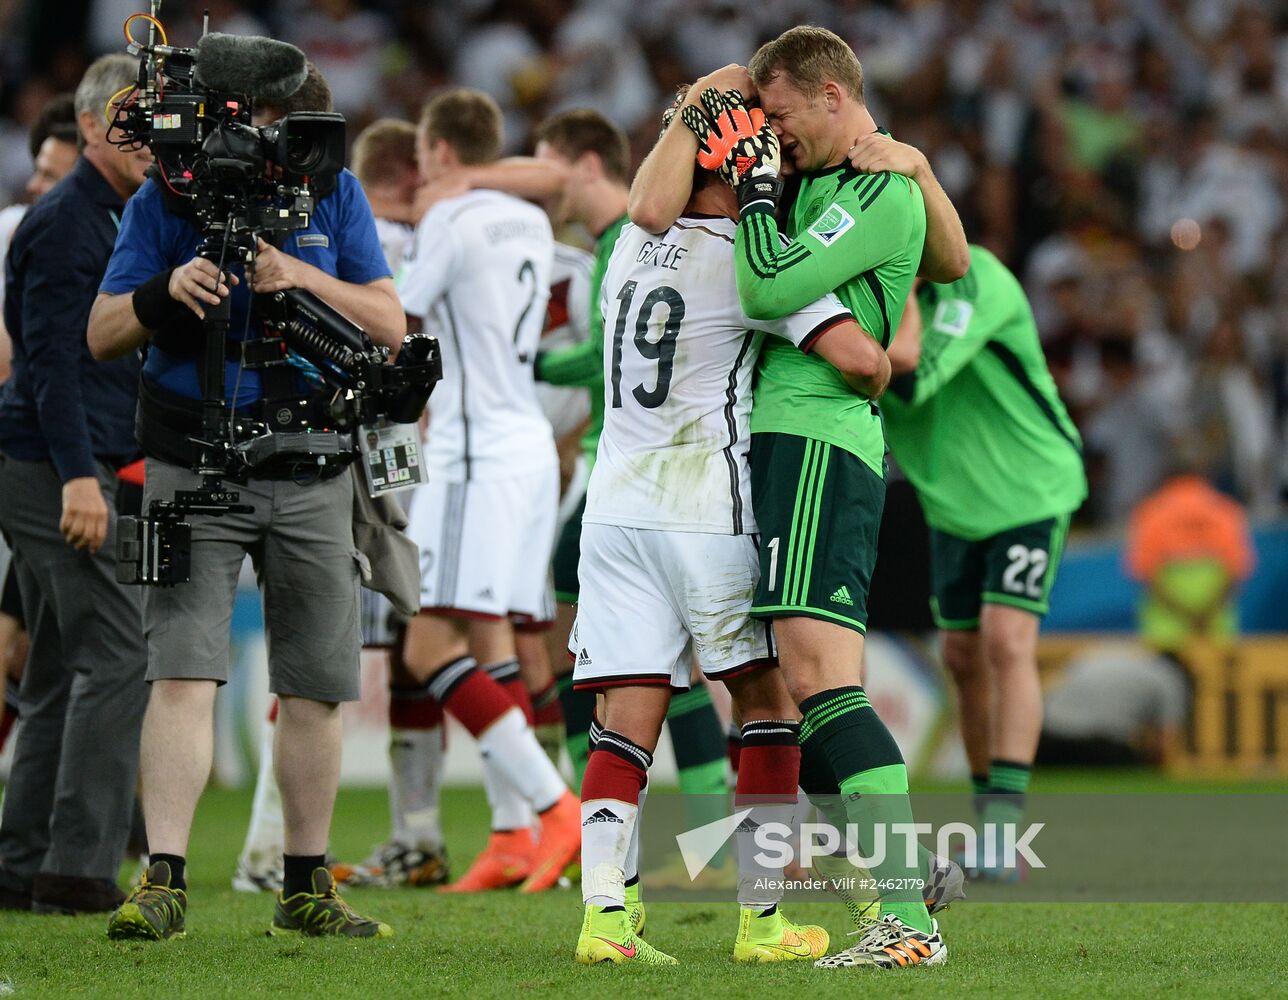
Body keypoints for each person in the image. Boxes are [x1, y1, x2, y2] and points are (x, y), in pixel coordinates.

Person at [638, 28, 970, 968]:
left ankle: (904, 915)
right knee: (785, 683)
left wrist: (752, 199)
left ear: (831, 95)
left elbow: (764, 282)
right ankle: (893, 883)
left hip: (821, 442)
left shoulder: (872, 186)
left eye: (780, 116)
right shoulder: (836, 176)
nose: (772, 139)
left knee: (822, 675)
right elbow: (946, 260)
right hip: (778, 445)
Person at [571, 91, 892, 967]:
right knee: (767, 704)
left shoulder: (633, 246)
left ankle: (604, 924)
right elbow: (865, 361)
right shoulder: (754, 271)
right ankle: (763, 923)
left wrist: (694, 116)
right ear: (740, 170)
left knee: (623, 718)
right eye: (771, 164)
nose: (782, 175)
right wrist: (875, 356)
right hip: (709, 507)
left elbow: (649, 192)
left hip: (616, 509)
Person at [89, 63, 402, 940]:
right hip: (194, 465)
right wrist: (165, 291)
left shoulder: (333, 192)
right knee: (181, 672)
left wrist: (296, 279)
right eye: (258, 125)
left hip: (312, 464)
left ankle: (306, 884)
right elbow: (103, 331)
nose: (269, 149)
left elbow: (388, 319)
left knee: (316, 687)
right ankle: (165, 880)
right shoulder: (165, 200)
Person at [396, 88, 580, 895]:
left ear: (438, 153)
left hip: (471, 454)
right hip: (528, 444)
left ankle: (553, 807)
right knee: (492, 638)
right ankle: (511, 834)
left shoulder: (449, 220)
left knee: (428, 648)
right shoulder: (531, 219)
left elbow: (392, 316)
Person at [881, 245, 1088, 876]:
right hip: (953, 506)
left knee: (1006, 641)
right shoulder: (857, 301)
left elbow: (912, 380)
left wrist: (906, 289)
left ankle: (1004, 833)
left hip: (1030, 489)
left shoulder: (978, 279)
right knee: (963, 658)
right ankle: (987, 825)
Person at [0, 55, 151, 916]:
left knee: (59, 666)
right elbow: (49, 365)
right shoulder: (68, 222)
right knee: (119, 654)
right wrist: (78, 480)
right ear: (90, 126)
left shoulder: (105, 213)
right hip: (53, 465)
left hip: (55, 460)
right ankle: (77, 868)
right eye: (129, 119)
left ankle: (23, 862)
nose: (146, 138)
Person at [0, 93, 79, 755]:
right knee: (19, 644)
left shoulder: (102, 232)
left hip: (75, 468)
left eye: (53, 175)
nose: (35, 185)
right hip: (25, 460)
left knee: (42, 648)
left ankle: (129, 829)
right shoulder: (14, 230)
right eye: (39, 170)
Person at [1125, 471, 1255, 658]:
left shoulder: (1150, 511)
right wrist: (1205, 615)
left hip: (1166, 628)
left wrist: (1184, 615)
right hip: (1215, 624)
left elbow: (1145, 573)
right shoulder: (1226, 509)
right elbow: (1237, 569)